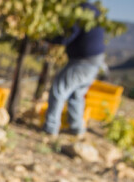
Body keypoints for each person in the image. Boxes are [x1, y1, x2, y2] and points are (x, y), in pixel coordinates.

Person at [43, 2, 106, 138]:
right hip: (94, 61)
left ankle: (51, 129)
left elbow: (67, 36)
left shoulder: (80, 11)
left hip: (82, 61)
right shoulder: (93, 11)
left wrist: (47, 37)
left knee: (58, 91)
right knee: (76, 95)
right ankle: (77, 129)